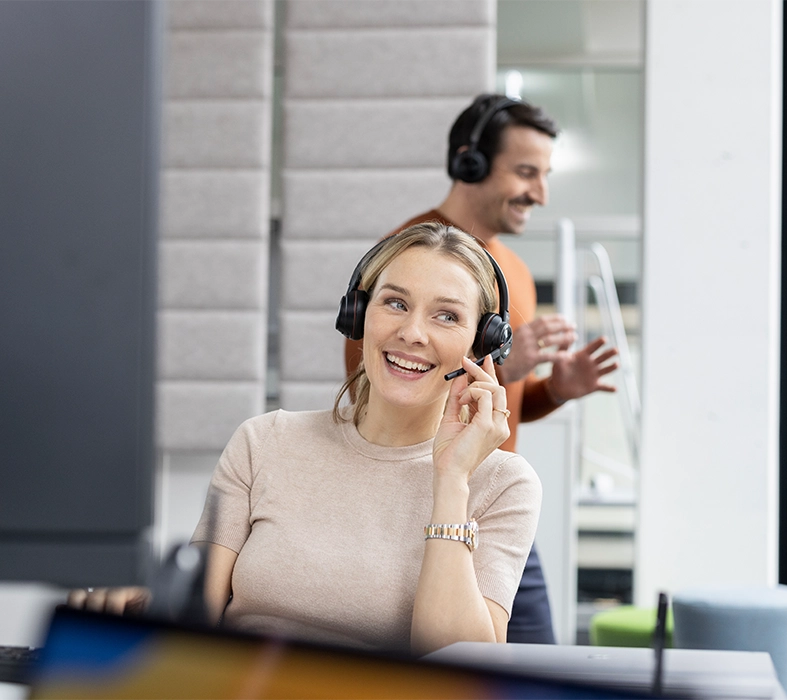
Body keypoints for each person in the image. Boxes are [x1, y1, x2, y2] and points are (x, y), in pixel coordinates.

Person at [68, 223, 541, 657]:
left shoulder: (503, 483)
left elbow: (456, 668)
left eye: (446, 316)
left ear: (482, 346)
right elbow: (196, 613)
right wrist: (135, 607)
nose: (412, 333)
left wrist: (452, 477)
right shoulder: (265, 441)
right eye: (394, 303)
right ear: (358, 315)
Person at [344, 94, 619, 644]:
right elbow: (374, 384)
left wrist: (551, 390)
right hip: (419, 496)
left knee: (534, 668)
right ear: (470, 162)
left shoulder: (512, 269)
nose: (539, 193)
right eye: (524, 172)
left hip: (493, 494)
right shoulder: (411, 254)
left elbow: (501, 404)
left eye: (543, 176)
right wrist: (511, 363)